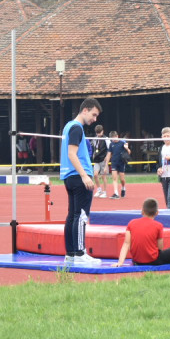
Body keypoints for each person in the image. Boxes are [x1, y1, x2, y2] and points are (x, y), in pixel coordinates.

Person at [60, 98, 103, 266]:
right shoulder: (77, 128)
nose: (94, 119)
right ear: (85, 110)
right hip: (79, 177)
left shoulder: (68, 126)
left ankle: (71, 254)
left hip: (69, 177)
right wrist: (85, 175)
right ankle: (79, 253)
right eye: (93, 114)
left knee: (72, 215)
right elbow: (72, 154)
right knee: (81, 216)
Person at [108, 130, 130, 199]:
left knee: (122, 179)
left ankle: (123, 188)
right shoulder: (111, 144)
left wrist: (127, 148)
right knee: (114, 178)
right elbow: (109, 154)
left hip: (121, 163)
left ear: (117, 136)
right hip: (114, 162)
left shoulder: (122, 142)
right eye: (112, 138)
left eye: (114, 138)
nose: (113, 140)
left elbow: (129, 152)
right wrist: (106, 164)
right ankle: (116, 193)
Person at [91, 124, 110, 198]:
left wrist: (107, 159)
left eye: (99, 133)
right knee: (95, 175)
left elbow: (109, 150)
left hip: (103, 159)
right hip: (97, 159)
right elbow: (94, 147)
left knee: (103, 176)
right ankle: (99, 190)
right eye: (97, 133)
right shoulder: (95, 138)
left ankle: (104, 192)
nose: (98, 134)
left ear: (102, 131)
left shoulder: (106, 139)